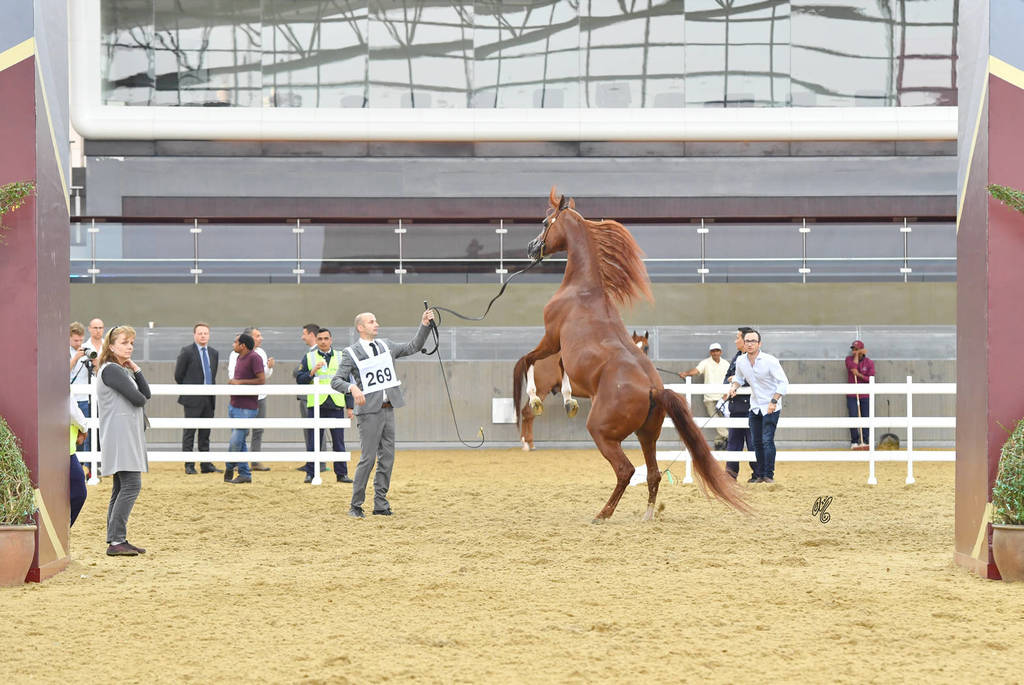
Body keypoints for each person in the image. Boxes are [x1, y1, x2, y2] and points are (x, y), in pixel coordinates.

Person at [332, 309, 434, 518]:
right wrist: (352, 388)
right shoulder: (350, 353)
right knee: (368, 459)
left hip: (388, 409)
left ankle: (380, 503)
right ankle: (356, 505)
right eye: (371, 322)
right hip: (368, 412)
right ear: (360, 327)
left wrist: (424, 325)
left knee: (387, 458)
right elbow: (336, 380)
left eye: (376, 321)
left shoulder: (386, 345)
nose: (376, 324)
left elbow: (413, 346)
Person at [95, 325, 151, 556]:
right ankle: (117, 540)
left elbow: (145, 394)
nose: (129, 347)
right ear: (111, 346)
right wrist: (133, 373)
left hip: (122, 433)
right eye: (124, 342)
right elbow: (139, 399)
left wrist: (136, 369)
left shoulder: (119, 369)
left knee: (121, 486)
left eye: (131, 343)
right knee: (131, 485)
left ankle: (116, 539)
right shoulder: (112, 371)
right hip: (121, 434)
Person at [726, 329, 789, 484]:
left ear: (759, 344)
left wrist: (774, 401)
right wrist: (734, 387)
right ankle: (760, 475)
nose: (750, 344)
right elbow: (740, 378)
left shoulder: (770, 361)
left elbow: (783, 383)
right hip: (754, 406)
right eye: (747, 341)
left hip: (770, 405)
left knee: (767, 440)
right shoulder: (741, 361)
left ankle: (769, 475)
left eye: (753, 341)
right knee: (756, 442)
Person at [296, 328, 354, 484]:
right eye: (320, 339)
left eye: (326, 338)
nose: (323, 341)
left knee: (338, 442)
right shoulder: (309, 357)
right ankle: (310, 472)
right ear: (317, 340)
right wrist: (312, 371)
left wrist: (350, 406)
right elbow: (300, 379)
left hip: (336, 404)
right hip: (316, 405)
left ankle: (341, 474)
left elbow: (348, 381)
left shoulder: (342, 357)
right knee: (313, 441)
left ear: (331, 340)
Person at [173, 322, 221, 475]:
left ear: (209, 335)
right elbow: (178, 375)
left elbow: (212, 375)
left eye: (205, 333)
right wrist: (190, 390)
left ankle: (206, 464)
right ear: (194, 335)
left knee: (205, 433)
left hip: (209, 398)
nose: (203, 336)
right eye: (200, 333)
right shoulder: (187, 351)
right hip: (192, 399)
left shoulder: (214, 353)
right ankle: (189, 464)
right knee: (190, 432)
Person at [227, 327, 274, 471]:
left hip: (256, 398)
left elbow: (263, 377)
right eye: (257, 336)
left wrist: (270, 368)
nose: (261, 338)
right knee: (241, 433)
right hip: (240, 400)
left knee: (255, 431)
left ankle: (247, 462)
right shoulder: (237, 355)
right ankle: (241, 466)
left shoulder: (257, 355)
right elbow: (233, 375)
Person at [225, 332, 265, 484]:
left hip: (247, 407)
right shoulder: (238, 358)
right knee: (240, 442)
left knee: (235, 441)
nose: (233, 345)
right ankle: (244, 474)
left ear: (242, 345)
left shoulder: (254, 358)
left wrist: (240, 383)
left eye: (235, 342)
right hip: (235, 404)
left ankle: (229, 466)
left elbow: (261, 380)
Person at [678, 342, 730, 448]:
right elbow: (696, 371)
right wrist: (686, 373)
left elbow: (730, 378)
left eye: (717, 351)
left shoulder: (726, 364)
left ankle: (719, 442)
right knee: (715, 420)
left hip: (723, 398)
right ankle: (728, 436)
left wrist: (727, 394)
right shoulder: (705, 363)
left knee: (723, 421)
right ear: (710, 352)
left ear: (721, 352)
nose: (715, 353)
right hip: (710, 398)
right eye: (713, 351)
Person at [724, 327, 755, 480]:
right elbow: (727, 378)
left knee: (753, 442)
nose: (735, 341)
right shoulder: (737, 357)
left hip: (751, 407)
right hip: (736, 407)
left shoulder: (755, 358)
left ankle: (758, 474)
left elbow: (753, 379)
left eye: (737, 337)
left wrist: (736, 379)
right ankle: (730, 474)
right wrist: (735, 378)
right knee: (733, 442)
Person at [293, 323, 327, 464]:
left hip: (313, 397)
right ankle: (312, 461)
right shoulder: (311, 354)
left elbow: (297, 372)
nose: (302, 337)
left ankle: (318, 462)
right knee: (310, 430)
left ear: (312, 335)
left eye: (304, 334)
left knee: (315, 430)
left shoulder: (315, 354)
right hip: (309, 396)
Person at [69, 321, 96, 476]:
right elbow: (63, 372)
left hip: (85, 398)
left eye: (80, 340)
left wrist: (93, 360)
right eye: (75, 340)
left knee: (86, 433)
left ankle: (88, 467)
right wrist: (76, 358)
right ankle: (76, 464)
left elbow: (96, 369)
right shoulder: (63, 352)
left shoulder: (87, 350)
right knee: (73, 434)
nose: (78, 343)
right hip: (71, 398)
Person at [846, 339, 875, 450]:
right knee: (853, 417)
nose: (854, 351)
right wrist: (857, 357)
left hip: (865, 395)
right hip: (852, 395)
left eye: (857, 349)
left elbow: (870, 379)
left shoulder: (869, 362)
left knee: (866, 417)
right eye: (853, 349)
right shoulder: (848, 360)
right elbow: (852, 368)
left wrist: (859, 375)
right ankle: (855, 441)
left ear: (863, 350)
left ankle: (866, 441)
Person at [69, 394, 88, 527]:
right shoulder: (61, 383)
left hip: (64, 450)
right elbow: (73, 412)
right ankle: (62, 530)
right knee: (79, 492)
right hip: (66, 451)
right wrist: (84, 428)